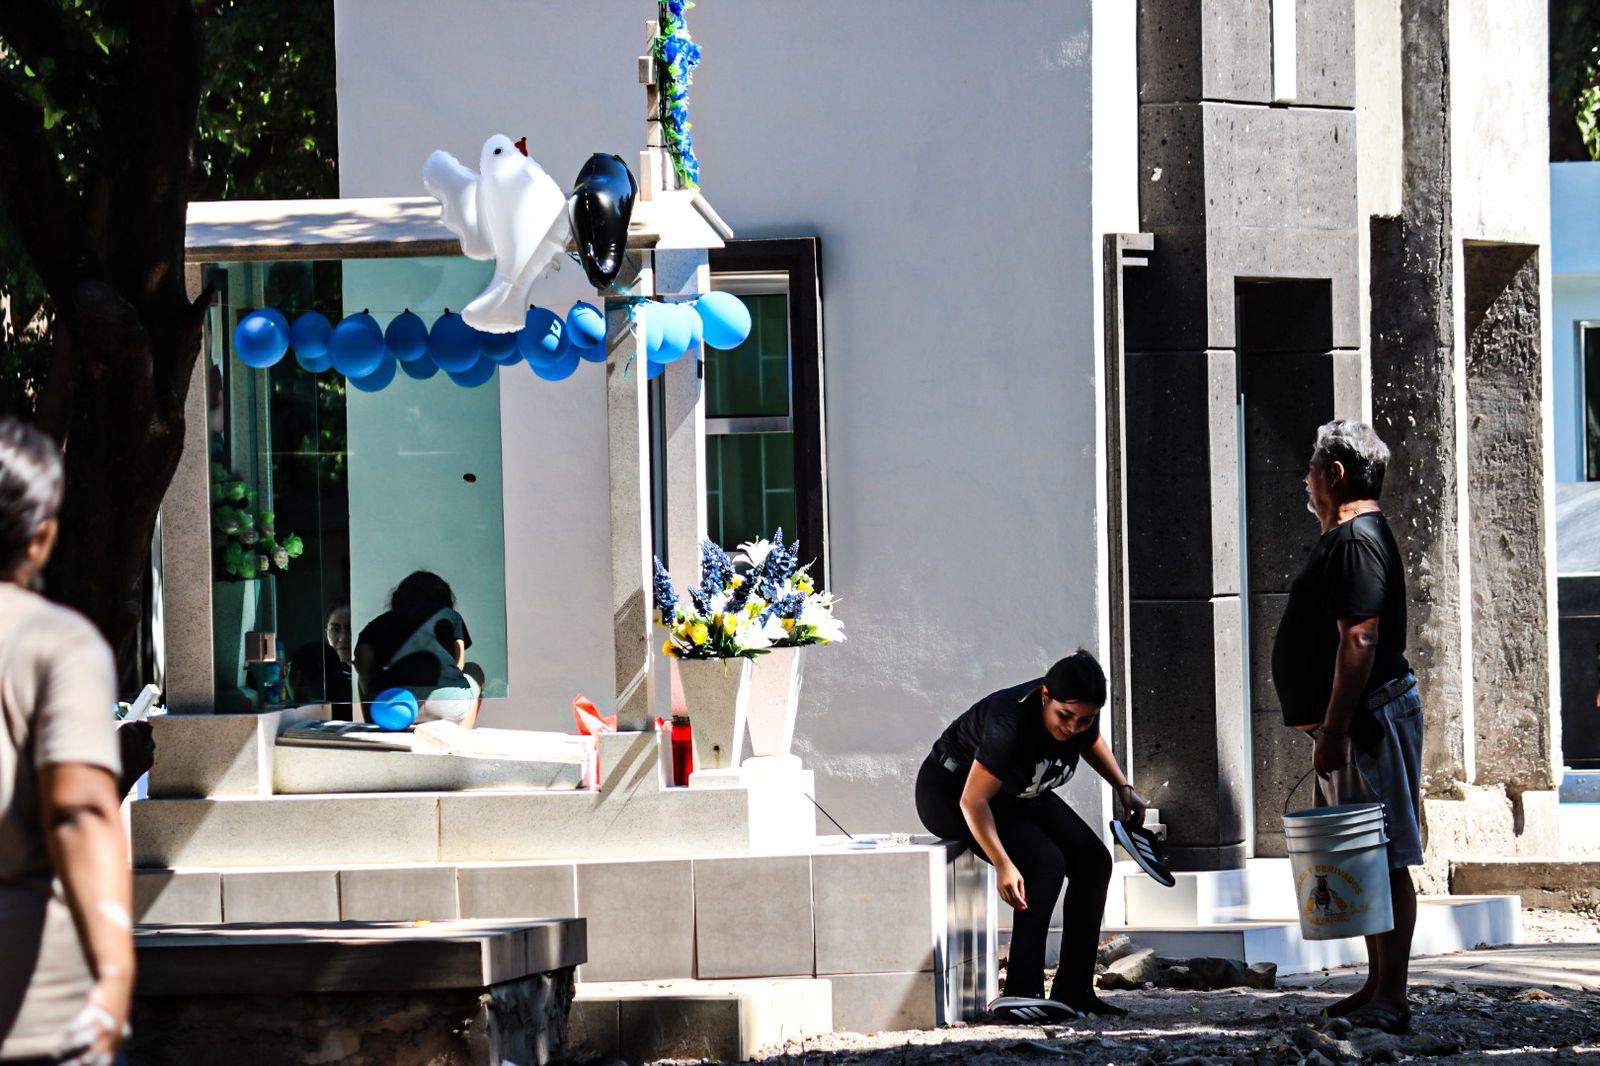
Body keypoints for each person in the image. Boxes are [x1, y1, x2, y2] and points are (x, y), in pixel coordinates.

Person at [1271, 419, 1421, 1035]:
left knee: (1384, 854)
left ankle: (1393, 995)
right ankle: (1375, 984)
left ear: (1335, 473)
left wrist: (1334, 732)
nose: (1305, 482)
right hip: (1352, 723)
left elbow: (1359, 639)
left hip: (1367, 721)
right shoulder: (1345, 536)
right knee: (1361, 853)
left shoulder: (1357, 539)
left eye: (1311, 470)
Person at [0, 419, 134, 1065]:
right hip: (34, 1015)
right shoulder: (57, 641)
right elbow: (78, 811)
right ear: (41, 536)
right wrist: (114, 977)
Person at [915, 651, 1146, 1023]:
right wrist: (1004, 863)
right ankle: (1021, 992)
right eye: (1064, 716)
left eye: (1083, 719)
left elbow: (1090, 741)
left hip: (1016, 791)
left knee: (1093, 861)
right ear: (1045, 696)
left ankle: (1075, 991)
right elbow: (973, 800)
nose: (1072, 727)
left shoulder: (1081, 710)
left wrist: (1123, 786)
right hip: (951, 792)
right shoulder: (1010, 722)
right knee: (1044, 863)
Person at [354, 572, 482, 728]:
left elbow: (363, 664)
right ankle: (462, 731)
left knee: (363, 679)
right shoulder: (450, 616)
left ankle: (374, 723)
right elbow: (459, 665)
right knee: (474, 669)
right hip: (446, 704)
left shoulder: (378, 623)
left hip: (391, 705)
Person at [288, 603, 354, 711]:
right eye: (335, 629)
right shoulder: (320, 670)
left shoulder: (368, 675)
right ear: (326, 632)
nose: (343, 638)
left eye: (350, 628)